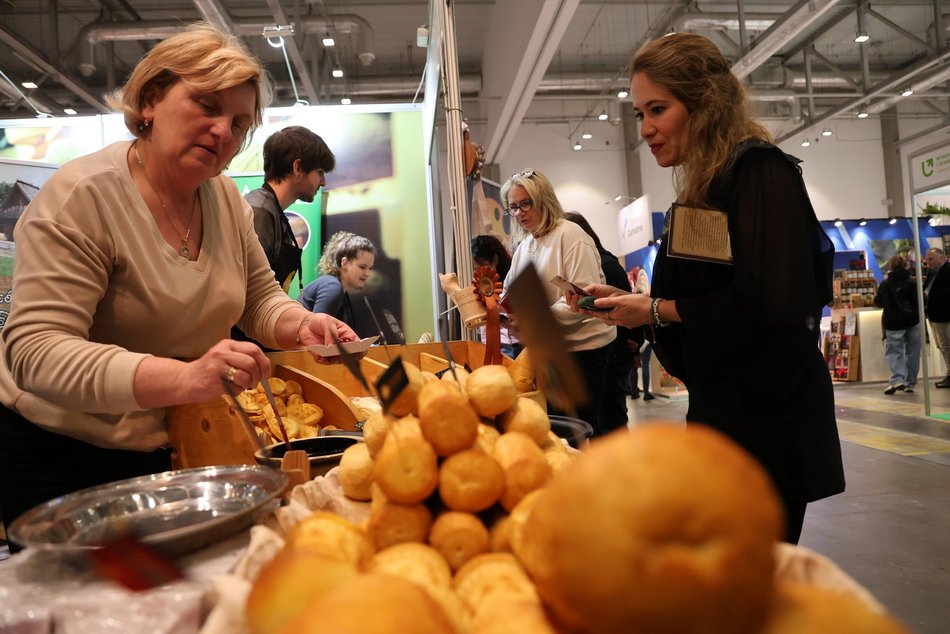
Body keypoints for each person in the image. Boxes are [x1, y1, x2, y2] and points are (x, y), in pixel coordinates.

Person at [0, 23, 358, 535]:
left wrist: (300, 326)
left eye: (238, 123)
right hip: (61, 457)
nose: (222, 131)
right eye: (207, 106)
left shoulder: (224, 199)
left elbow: (259, 298)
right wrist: (185, 378)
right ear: (149, 101)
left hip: (163, 443)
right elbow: (36, 352)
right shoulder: (83, 197)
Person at [568, 33, 844, 543]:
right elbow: (707, 302)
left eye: (659, 109)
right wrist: (636, 307)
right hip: (726, 412)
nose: (646, 129)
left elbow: (771, 303)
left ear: (706, 104)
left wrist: (655, 309)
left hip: (768, 422)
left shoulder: (759, 172)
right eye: (639, 114)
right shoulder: (706, 186)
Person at [502, 169, 615, 433]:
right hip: (546, 351)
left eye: (525, 203)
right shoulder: (526, 245)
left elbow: (584, 301)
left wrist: (531, 319)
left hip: (582, 352)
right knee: (551, 428)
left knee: (576, 429)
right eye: (513, 207)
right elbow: (509, 290)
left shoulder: (571, 236)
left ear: (543, 199)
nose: (519, 213)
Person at [564, 212, 635, 434]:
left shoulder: (608, 265)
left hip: (615, 350)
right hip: (610, 348)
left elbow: (627, 304)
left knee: (612, 418)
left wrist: (633, 345)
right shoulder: (603, 262)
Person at [245, 126, 336, 292]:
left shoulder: (272, 212)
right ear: (298, 168)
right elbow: (250, 293)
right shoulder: (259, 212)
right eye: (320, 172)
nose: (323, 182)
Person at [299, 231, 376, 327]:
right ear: (344, 263)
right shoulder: (332, 287)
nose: (367, 273)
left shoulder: (337, 288)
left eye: (370, 268)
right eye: (362, 267)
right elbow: (317, 330)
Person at [874, 254, 920, 394]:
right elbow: (918, 301)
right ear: (905, 265)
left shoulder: (885, 284)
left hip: (893, 323)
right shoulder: (912, 282)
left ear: (890, 267)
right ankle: (910, 383)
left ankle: (897, 379)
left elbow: (879, 302)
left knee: (894, 352)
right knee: (913, 353)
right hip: (912, 321)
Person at [471, 234, 522, 358]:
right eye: (475, 268)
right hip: (497, 345)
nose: (479, 271)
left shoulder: (513, 277)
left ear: (495, 260)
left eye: (482, 266)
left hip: (520, 342)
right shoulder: (478, 282)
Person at [924, 247, 950, 387]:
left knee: (946, 345)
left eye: (931, 259)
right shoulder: (932, 273)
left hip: (944, 315)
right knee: (941, 345)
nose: (928, 262)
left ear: (942, 258)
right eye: (927, 259)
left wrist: (931, 295)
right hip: (934, 315)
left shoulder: (947, 271)